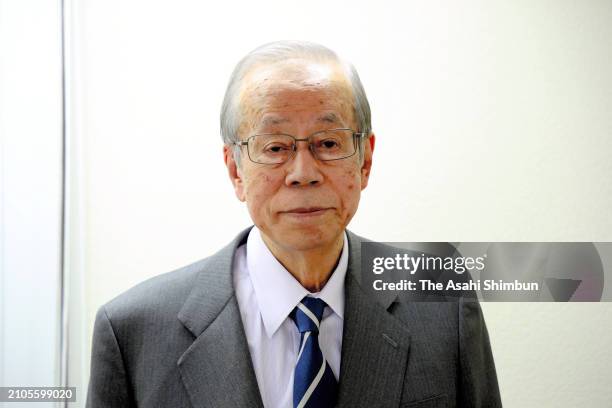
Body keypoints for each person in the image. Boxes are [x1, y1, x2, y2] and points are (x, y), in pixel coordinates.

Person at [86, 41, 501, 408]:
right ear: (235, 170)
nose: (303, 172)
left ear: (365, 159)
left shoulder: (441, 299)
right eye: (275, 147)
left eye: (328, 143)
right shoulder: (134, 330)